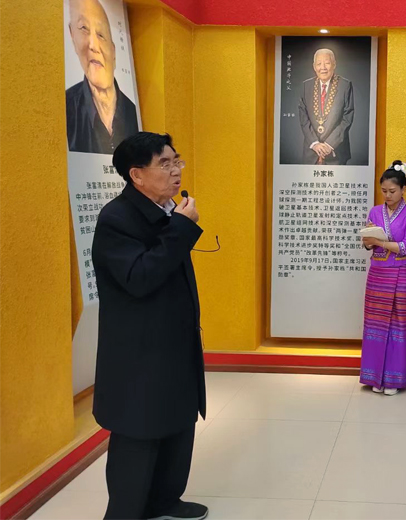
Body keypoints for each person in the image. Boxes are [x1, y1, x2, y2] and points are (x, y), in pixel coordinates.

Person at [92, 133, 207, 520]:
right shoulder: (117, 219)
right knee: (139, 432)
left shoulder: (166, 210)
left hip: (174, 342)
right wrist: (182, 228)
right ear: (136, 175)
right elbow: (140, 277)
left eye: (177, 161)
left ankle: (164, 501)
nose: (176, 171)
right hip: (139, 352)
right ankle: (125, 512)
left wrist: (178, 224)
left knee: (177, 423)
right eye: (165, 164)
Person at [359, 161, 406, 395]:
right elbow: (368, 244)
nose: (387, 195)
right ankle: (374, 377)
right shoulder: (375, 212)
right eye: (384, 191)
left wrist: (378, 241)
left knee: (398, 325)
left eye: (392, 191)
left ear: (403, 189)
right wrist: (368, 241)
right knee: (375, 324)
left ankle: (394, 380)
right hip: (378, 272)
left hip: (401, 273)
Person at [66, 0, 139, 154]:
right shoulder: (67, 107)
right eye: (84, 28)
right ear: (72, 37)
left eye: (101, 34)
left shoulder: (133, 112)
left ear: (113, 51)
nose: (93, 45)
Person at [298, 48, 355, 165]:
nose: (323, 67)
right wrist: (315, 144)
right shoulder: (306, 86)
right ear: (314, 66)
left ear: (334, 64)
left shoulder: (345, 86)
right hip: (311, 152)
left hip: (336, 151)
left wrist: (329, 144)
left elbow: (347, 118)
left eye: (327, 63)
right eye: (319, 64)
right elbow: (304, 119)